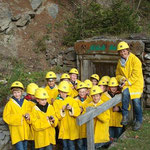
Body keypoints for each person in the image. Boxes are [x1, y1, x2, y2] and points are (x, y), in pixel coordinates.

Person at [116, 41, 144, 131]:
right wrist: (121, 79)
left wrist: (127, 82)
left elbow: (136, 76)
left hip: (136, 84)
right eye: (121, 51)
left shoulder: (135, 60)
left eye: (124, 51)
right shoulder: (120, 62)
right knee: (125, 95)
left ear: (128, 50)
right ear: (119, 53)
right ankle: (125, 116)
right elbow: (118, 74)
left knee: (136, 102)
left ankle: (139, 120)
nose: (123, 53)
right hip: (127, 84)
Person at [3, 81, 31, 150]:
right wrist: (19, 118)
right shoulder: (9, 104)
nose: (17, 94)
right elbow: (6, 117)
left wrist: (28, 115)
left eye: (18, 92)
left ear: (21, 92)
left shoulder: (26, 102)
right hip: (17, 132)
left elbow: (30, 112)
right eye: (15, 92)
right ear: (12, 93)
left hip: (25, 131)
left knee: (25, 147)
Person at [53, 81, 81, 150]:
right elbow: (57, 116)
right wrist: (62, 110)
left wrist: (71, 109)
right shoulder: (56, 102)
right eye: (62, 92)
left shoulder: (72, 100)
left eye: (65, 92)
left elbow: (77, 113)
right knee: (65, 146)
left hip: (71, 128)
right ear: (59, 91)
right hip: (63, 128)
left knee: (71, 146)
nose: (63, 94)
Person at [75, 82, 89, 150]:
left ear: (86, 91)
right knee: (80, 145)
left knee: (87, 144)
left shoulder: (89, 100)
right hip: (79, 127)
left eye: (83, 91)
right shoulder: (75, 100)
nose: (82, 93)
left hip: (87, 126)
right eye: (80, 92)